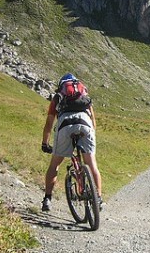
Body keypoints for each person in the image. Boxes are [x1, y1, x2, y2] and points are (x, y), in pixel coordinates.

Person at [40, 73, 103, 212]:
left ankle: (47, 199)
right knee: (92, 164)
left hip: (65, 125)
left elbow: (49, 124)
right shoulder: (83, 95)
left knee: (55, 164)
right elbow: (93, 120)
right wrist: (91, 134)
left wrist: (45, 143)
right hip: (85, 124)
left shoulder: (58, 97)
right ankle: (98, 198)